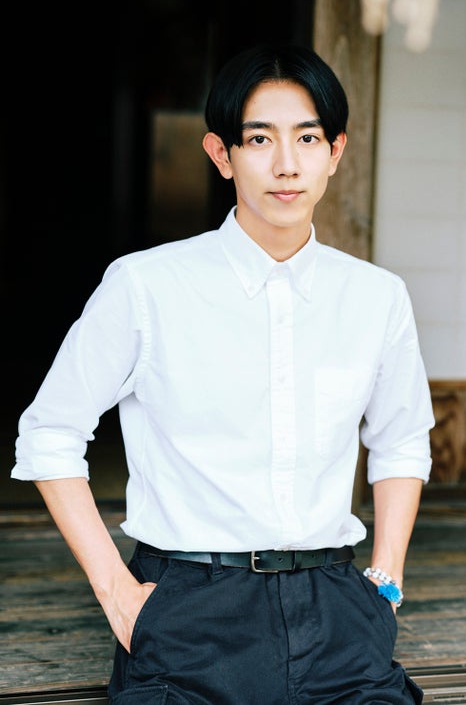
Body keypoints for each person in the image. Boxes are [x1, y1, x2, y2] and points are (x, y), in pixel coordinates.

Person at [12, 44, 435, 704]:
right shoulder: (146, 285)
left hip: (336, 606)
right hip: (190, 608)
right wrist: (118, 594)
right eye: (259, 138)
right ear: (221, 154)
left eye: (308, 138)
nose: (287, 163)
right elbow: (48, 435)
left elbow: (402, 440)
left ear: (336, 152)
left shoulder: (377, 297)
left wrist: (386, 578)